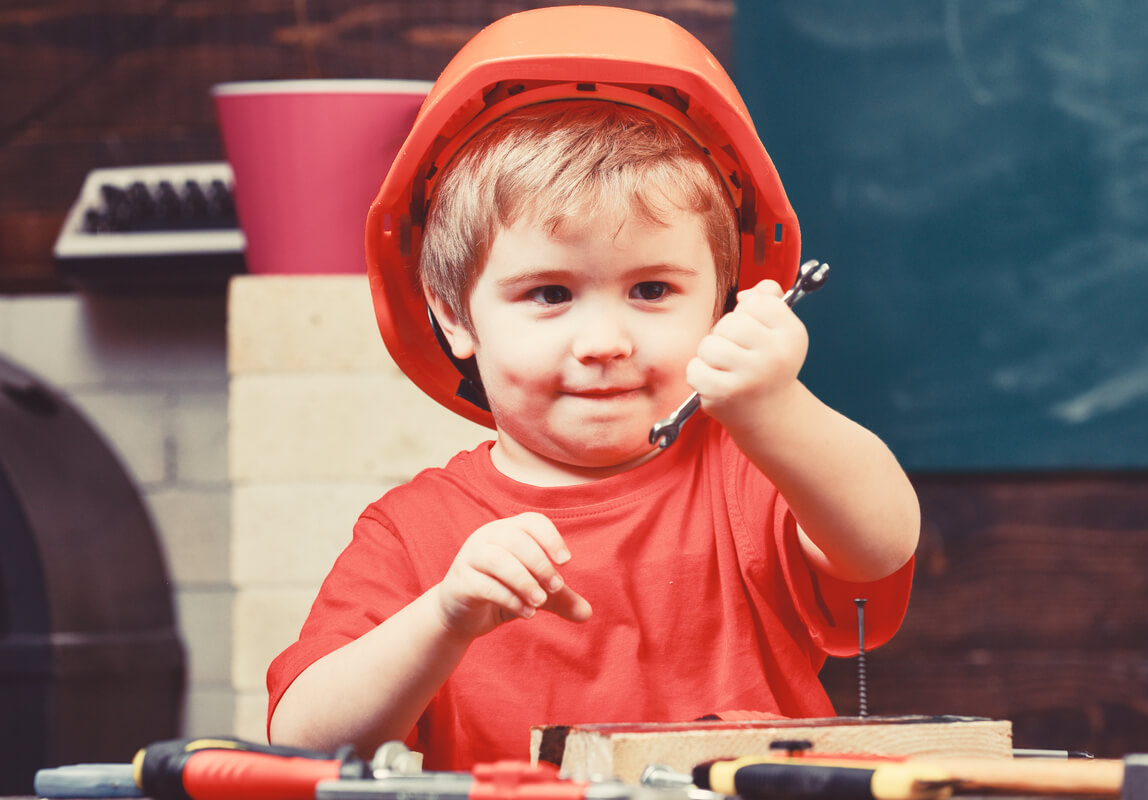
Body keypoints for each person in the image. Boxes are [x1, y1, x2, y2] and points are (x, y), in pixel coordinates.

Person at [266, 5, 920, 770]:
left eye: (651, 290)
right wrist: (442, 617)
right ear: (454, 315)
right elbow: (301, 742)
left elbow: (880, 543)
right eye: (548, 294)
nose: (606, 343)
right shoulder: (412, 535)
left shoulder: (755, 471)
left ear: (725, 297)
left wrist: (777, 409)